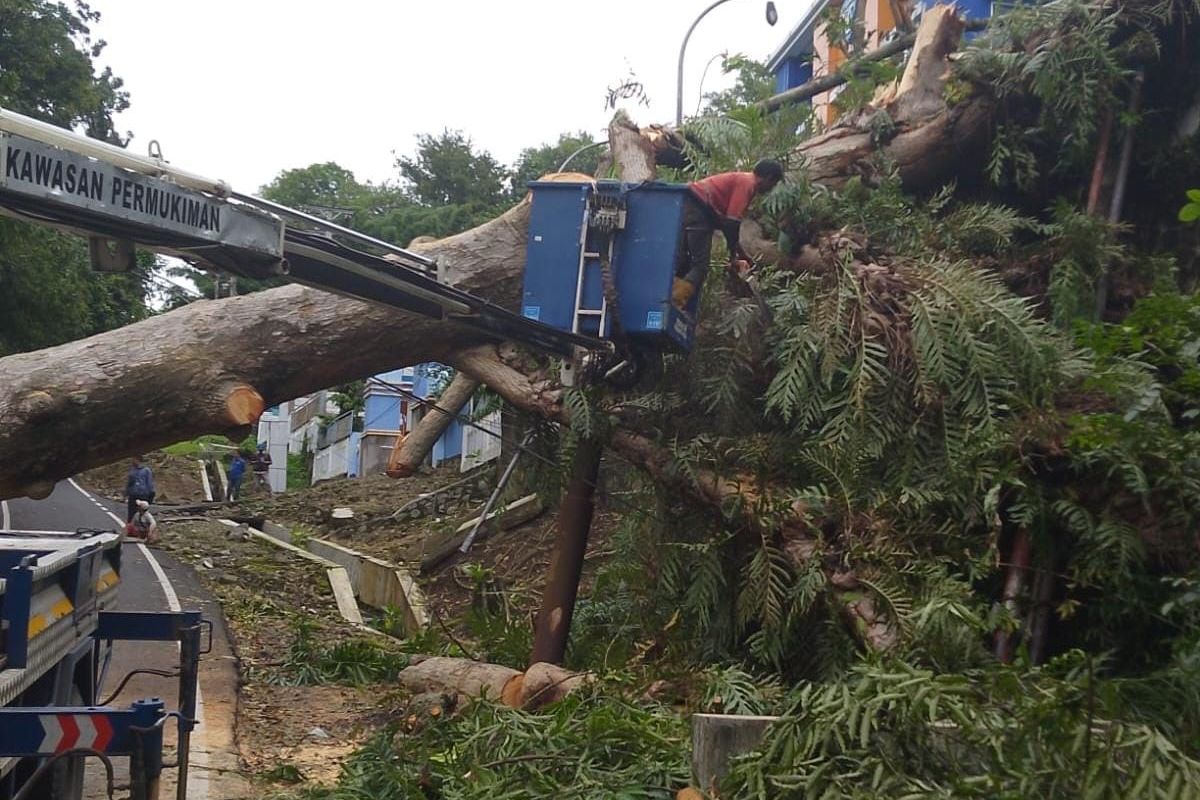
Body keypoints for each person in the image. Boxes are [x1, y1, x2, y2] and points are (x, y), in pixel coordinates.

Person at [673, 159, 785, 309]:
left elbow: (727, 224)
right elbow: (731, 222)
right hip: (699, 210)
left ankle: (667, 297)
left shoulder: (742, 180)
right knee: (700, 266)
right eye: (774, 184)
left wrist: (741, 254)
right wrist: (733, 256)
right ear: (769, 178)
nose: (772, 188)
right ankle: (674, 303)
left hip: (688, 206)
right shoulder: (747, 183)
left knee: (681, 260)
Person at [125, 455, 155, 522]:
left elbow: (149, 482)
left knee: (143, 515)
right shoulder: (132, 471)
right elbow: (129, 483)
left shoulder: (146, 470)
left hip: (143, 495)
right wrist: (126, 493)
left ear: (138, 460)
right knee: (131, 515)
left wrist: (151, 494)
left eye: (134, 459)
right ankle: (130, 529)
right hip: (133, 496)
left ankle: (143, 529)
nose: (132, 461)